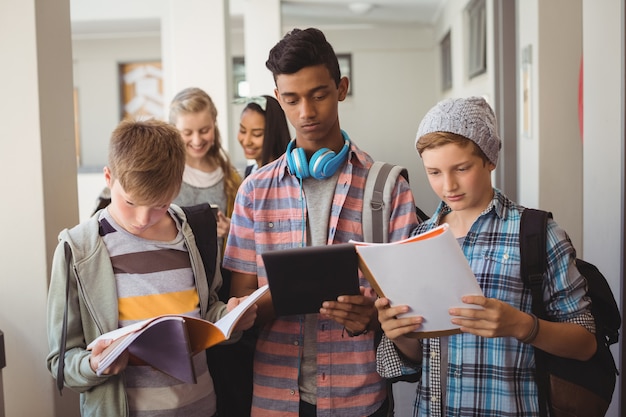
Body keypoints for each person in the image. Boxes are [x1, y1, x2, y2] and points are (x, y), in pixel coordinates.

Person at [223, 27, 419, 417]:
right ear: (278, 99)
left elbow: (410, 307)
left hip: (360, 396)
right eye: (292, 100)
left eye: (319, 95)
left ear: (341, 87)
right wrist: (251, 309)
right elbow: (239, 298)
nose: (306, 113)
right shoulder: (253, 191)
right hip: (276, 395)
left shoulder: (387, 188)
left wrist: (372, 317)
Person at [375, 96, 597, 416]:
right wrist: (402, 334)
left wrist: (522, 325)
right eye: (434, 172)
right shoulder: (417, 240)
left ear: (490, 159)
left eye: (461, 169)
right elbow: (414, 361)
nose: (447, 185)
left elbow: (586, 342)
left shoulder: (538, 234)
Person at [46, 118, 257, 417]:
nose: (143, 218)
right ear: (109, 177)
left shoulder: (192, 233)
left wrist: (231, 316)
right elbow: (60, 362)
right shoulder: (78, 250)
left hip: (202, 407)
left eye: (159, 204)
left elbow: (205, 314)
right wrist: (93, 365)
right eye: (130, 202)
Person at [169, 87, 242, 261]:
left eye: (204, 131)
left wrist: (233, 229)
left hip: (220, 281)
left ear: (214, 125)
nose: (197, 140)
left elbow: (247, 231)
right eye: (187, 133)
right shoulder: (165, 174)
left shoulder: (230, 178)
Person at [237, 95, 292, 178]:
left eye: (257, 134)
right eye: (242, 131)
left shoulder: (287, 176)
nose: (246, 142)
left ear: (274, 134)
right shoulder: (249, 172)